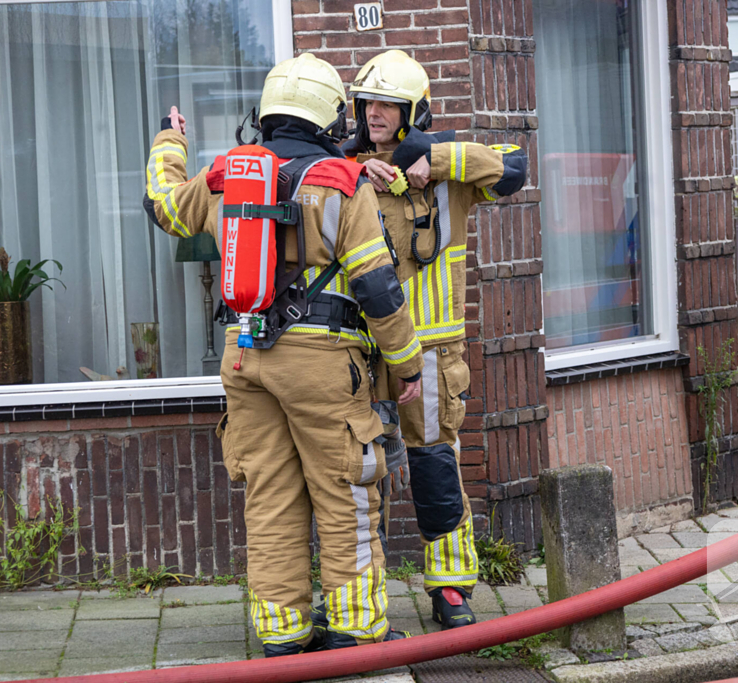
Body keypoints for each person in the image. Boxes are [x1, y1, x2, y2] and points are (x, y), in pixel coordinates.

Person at [142, 53, 424, 655]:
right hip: (322, 367)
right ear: (327, 116)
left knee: (268, 492)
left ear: (266, 113)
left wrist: (170, 142)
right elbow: (377, 287)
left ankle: (282, 633)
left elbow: (162, 205)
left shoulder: (224, 175)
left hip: (245, 358)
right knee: (346, 488)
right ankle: (356, 629)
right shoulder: (342, 183)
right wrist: (408, 364)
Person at [343, 49, 527, 629]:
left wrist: (434, 158)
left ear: (412, 111)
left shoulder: (450, 177)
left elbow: (514, 166)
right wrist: (355, 170)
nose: (374, 113)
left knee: (432, 468)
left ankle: (450, 588)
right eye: (367, 102)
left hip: (429, 350)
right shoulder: (344, 170)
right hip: (361, 352)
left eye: (387, 104)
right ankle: (357, 599)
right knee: (356, 470)